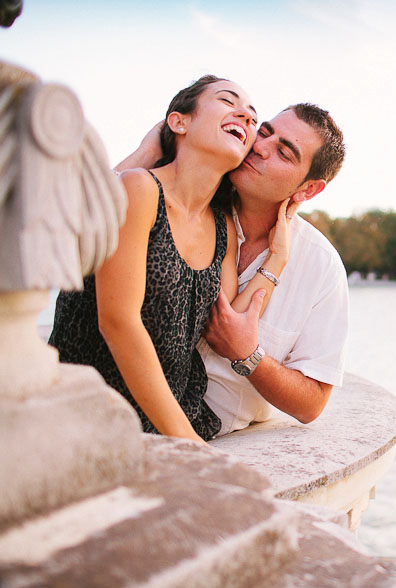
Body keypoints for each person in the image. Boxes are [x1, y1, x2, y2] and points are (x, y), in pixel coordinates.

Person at [51, 76, 290, 443]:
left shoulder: (222, 223)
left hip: (170, 423)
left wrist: (277, 258)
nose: (245, 115)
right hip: (89, 417)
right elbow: (118, 323)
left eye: (252, 117)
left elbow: (226, 320)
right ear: (179, 122)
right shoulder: (139, 189)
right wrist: (188, 443)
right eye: (228, 101)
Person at [117, 102, 349, 437]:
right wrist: (153, 149)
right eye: (265, 132)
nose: (260, 147)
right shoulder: (188, 205)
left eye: (284, 153)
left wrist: (249, 355)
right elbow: (96, 220)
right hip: (129, 408)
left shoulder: (320, 267)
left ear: (308, 189)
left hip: (210, 436)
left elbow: (311, 404)